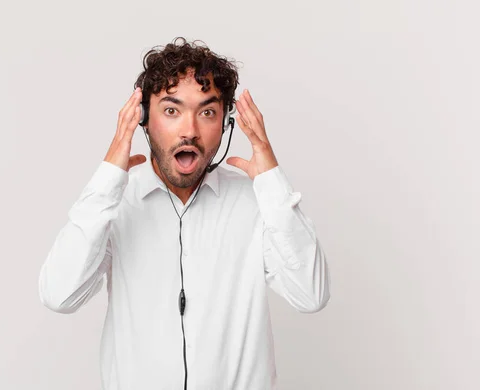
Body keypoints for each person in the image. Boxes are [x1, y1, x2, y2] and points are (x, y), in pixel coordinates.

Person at [38, 37, 330, 390]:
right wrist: (107, 181)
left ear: (225, 123)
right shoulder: (114, 203)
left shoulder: (258, 202)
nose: (189, 130)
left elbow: (311, 295)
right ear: (144, 118)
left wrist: (271, 180)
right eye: (171, 110)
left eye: (207, 112)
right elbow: (59, 294)